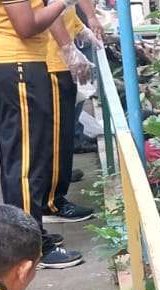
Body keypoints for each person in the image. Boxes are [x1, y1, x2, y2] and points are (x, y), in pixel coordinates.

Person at [0, 0, 83, 268]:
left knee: (23, 156)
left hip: (11, 60)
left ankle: (30, 233)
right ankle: (29, 248)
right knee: (25, 161)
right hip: (14, 61)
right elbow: (25, 25)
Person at [40, 6, 98, 225]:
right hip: (52, 60)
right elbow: (51, 9)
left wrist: (80, 28)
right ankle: (51, 202)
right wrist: (68, 48)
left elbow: (66, 9)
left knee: (62, 133)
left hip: (58, 57)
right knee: (56, 136)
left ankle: (56, 187)